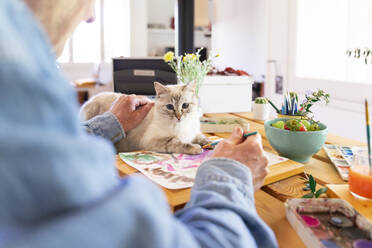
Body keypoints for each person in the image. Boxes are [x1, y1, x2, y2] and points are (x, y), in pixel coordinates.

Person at [0, 0, 278, 247]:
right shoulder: (14, 74)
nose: (90, 16)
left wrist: (111, 122)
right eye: (88, 1)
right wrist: (229, 173)